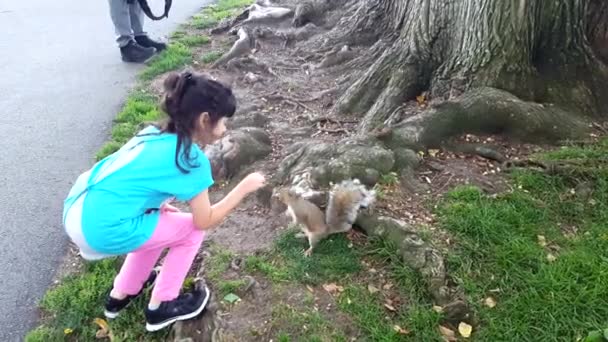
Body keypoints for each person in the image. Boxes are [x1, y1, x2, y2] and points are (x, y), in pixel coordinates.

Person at [62, 70, 267, 332]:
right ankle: (162, 306)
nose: (225, 129)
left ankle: (121, 294)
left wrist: (156, 206)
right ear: (205, 120)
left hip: (78, 208)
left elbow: (131, 178)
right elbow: (205, 220)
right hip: (101, 228)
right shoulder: (191, 160)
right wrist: (243, 188)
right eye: (223, 122)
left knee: (163, 222)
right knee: (192, 230)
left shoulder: (152, 133)